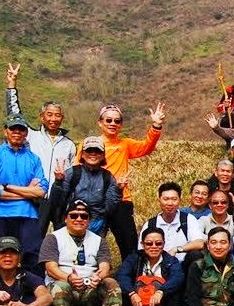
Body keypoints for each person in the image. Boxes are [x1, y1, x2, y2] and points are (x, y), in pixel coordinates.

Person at [41, 200, 127, 306]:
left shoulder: (99, 240)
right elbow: (50, 268)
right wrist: (69, 278)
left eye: (84, 216)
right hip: (64, 286)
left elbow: (105, 266)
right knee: (60, 286)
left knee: (111, 283)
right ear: (65, 218)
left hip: (90, 287)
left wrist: (98, 277)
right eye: (74, 215)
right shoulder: (53, 238)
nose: (79, 219)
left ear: (89, 220)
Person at [4, 63, 77, 236]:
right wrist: (12, 83)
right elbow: (14, 113)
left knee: (62, 239)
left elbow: (73, 174)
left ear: (62, 118)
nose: (53, 119)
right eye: (49, 115)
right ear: (42, 117)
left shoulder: (69, 145)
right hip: (36, 197)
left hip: (60, 200)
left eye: (57, 115)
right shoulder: (31, 136)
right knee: (34, 238)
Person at [93, 101, 166, 257]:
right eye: (108, 120)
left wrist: (156, 126)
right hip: (96, 200)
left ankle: (132, 271)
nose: (113, 123)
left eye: (117, 121)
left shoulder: (124, 144)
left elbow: (146, 147)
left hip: (121, 200)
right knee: (92, 243)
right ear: (100, 122)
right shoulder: (90, 144)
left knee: (129, 245)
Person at [0, 113, 48, 266]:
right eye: (13, 128)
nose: (17, 132)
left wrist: (8, 187)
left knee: (32, 258)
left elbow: (41, 191)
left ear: (26, 133)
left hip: (27, 215)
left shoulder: (34, 159)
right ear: (6, 131)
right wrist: (27, 192)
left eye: (21, 129)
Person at [117, 226, 186, 306]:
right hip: (137, 301)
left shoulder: (171, 260)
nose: (154, 247)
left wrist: (161, 291)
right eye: (149, 244)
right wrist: (132, 293)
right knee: (125, 287)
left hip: (161, 303)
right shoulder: (134, 258)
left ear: (164, 244)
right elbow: (122, 275)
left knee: (173, 288)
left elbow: (178, 277)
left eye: (158, 243)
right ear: (142, 244)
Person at [47, 135, 122, 234]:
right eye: (89, 150)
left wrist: (118, 190)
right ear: (82, 154)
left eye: (97, 151)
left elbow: (110, 209)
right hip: (71, 223)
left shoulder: (108, 178)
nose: (93, 154)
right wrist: (58, 182)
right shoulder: (72, 173)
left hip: (97, 226)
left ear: (103, 155)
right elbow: (57, 202)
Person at [139, 182, 196, 260]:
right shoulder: (150, 224)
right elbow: (141, 250)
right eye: (166, 199)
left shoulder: (188, 219)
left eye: (174, 199)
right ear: (159, 200)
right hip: (159, 264)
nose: (170, 203)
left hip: (183, 264)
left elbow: (199, 243)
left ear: (180, 200)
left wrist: (176, 249)